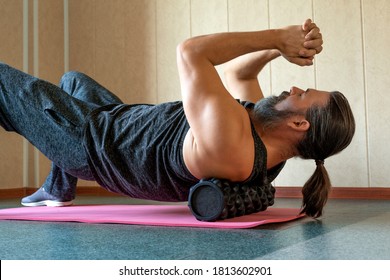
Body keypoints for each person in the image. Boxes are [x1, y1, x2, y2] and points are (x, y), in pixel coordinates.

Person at [0, 19, 355, 219]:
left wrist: (278, 36)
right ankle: (58, 189)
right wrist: (280, 48)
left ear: (299, 124)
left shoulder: (232, 144)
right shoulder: (260, 138)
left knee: (3, 81)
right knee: (74, 80)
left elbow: (191, 51)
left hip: (89, 143)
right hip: (113, 121)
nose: (294, 88)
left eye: (303, 95)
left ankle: (65, 171)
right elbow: (240, 73)